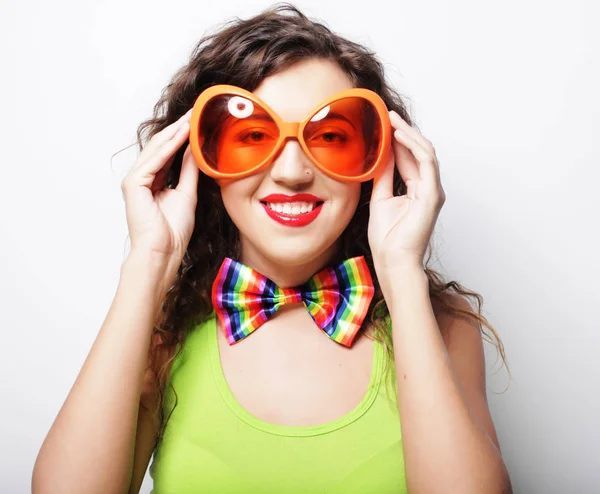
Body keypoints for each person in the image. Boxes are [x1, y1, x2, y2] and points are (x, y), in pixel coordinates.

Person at [32, 4, 512, 493]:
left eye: (329, 137)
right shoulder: (160, 333)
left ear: (377, 158)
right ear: (203, 157)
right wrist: (149, 263)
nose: (291, 171)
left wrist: (402, 272)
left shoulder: (443, 327)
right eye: (253, 136)